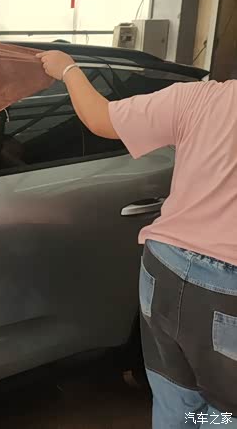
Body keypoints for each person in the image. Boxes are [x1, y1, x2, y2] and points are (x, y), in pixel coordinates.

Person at [37, 50, 237, 428]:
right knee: (226, 413)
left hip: (165, 268)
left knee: (174, 399)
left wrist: (68, 69)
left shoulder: (201, 97)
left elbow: (100, 118)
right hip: (227, 289)